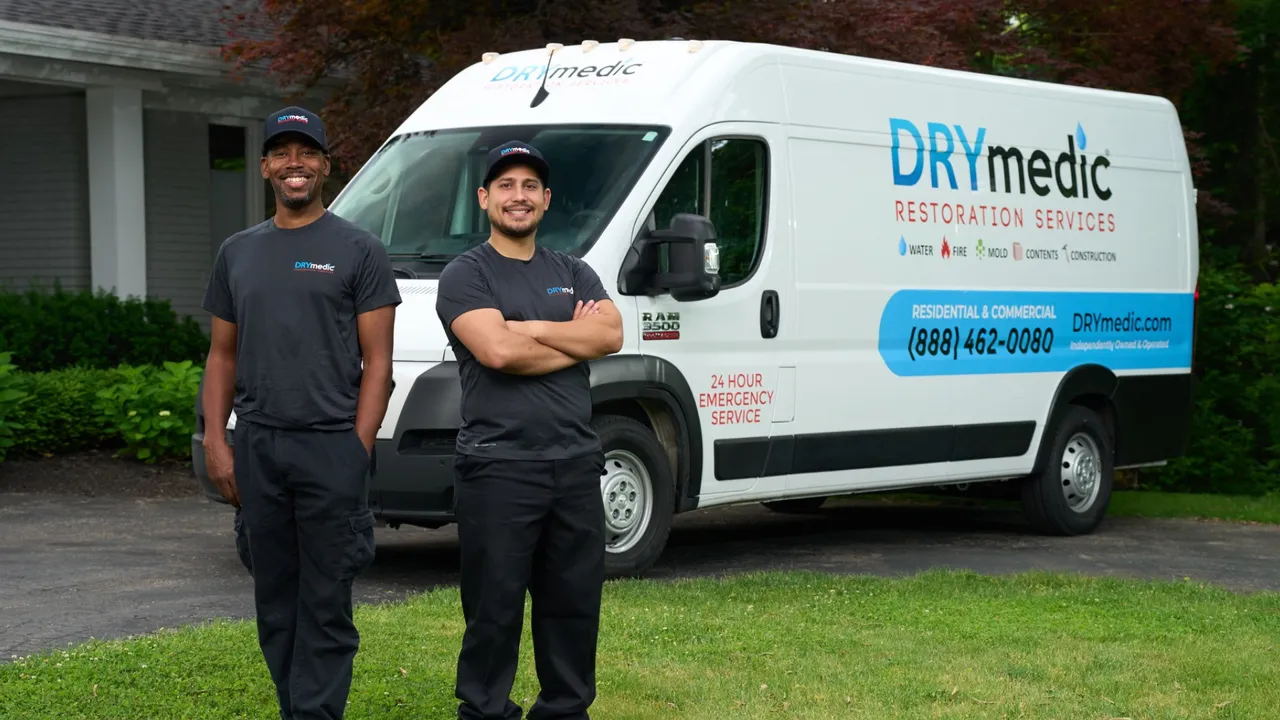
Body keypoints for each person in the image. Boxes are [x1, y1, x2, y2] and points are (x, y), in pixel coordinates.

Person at [200, 105, 402, 720]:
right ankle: (298, 709)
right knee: (275, 598)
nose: (296, 163)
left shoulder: (359, 250)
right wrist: (217, 441)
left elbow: (379, 365)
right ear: (265, 167)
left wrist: (355, 450)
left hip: (330, 446)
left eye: (307, 152)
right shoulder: (238, 252)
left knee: (325, 601)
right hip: (259, 445)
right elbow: (221, 355)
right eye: (283, 153)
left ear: (325, 166)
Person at [435, 140, 624, 720]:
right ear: (484, 197)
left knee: (572, 607)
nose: (519, 197)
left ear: (546, 200)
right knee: (493, 611)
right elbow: (496, 352)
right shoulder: (465, 273)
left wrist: (531, 327)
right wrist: (570, 335)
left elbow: (610, 336)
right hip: (499, 467)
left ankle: (564, 711)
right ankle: (486, 712)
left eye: (529, 187)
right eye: (507, 186)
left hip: (572, 464)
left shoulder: (572, 270)